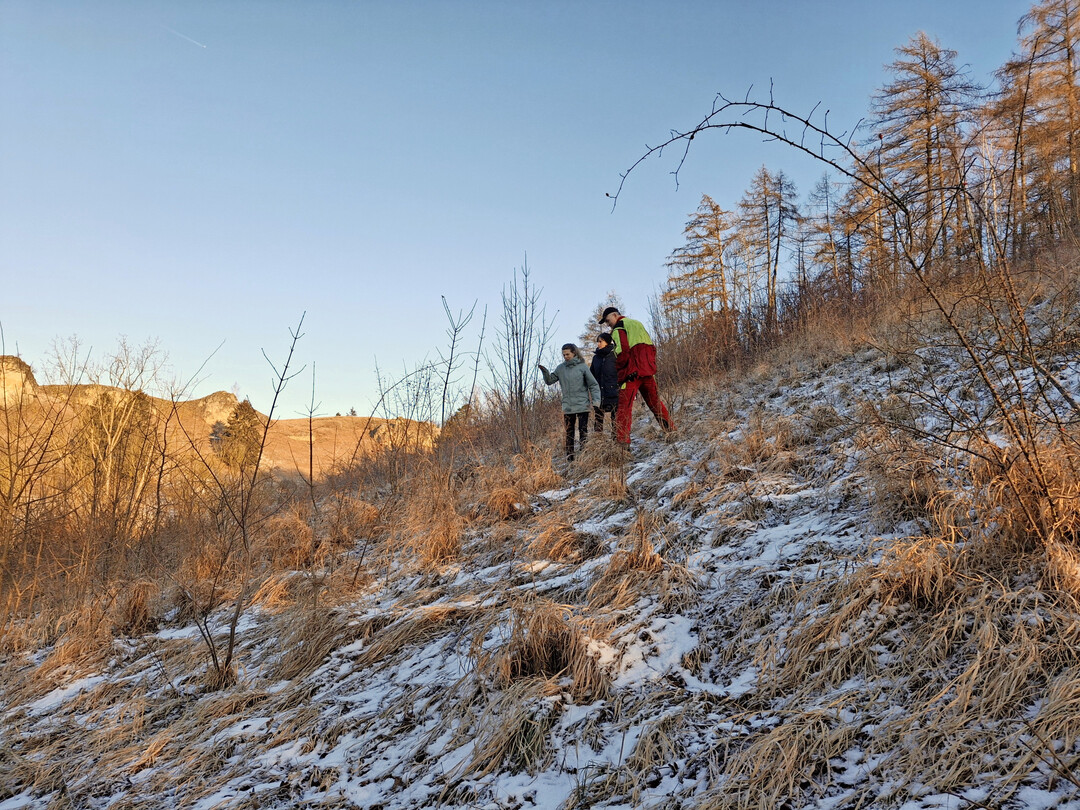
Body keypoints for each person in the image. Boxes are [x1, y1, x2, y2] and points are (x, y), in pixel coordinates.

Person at [598, 307, 674, 446]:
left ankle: (622, 445)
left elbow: (622, 352)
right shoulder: (637, 323)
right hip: (647, 371)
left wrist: (620, 372)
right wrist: (649, 365)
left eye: (608, 321)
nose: (608, 324)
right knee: (655, 403)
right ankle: (671, 432)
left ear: (615, 315)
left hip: (631, 374)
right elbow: (652, 347)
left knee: (623, 409)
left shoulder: (619, 328)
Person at [539, 343, 602, 462]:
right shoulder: (560, 368)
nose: (565, 357)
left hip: (582, 404)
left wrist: (596, 401)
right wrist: (545, 372)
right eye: (563, 355)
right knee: (569, 432)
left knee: (583, 431)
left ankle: (584, 456)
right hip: (568, 406)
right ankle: (570, 458)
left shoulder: (582, 367)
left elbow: (593, 385)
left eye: (567, 354)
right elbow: (549, 381)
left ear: (574, 353)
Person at [590, 332, 619, 435]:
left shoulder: (615, 355)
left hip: (614, 392)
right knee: (598, 419)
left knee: (615, 420)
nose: (598, 344)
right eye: (597, 342)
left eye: (600, 341)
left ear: (607, 342)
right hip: (598, 394)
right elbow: (591, 376)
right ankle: (598, 442)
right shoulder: (595, 358)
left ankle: (617, 442)